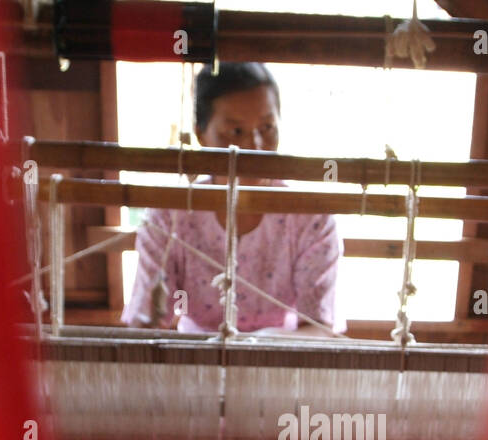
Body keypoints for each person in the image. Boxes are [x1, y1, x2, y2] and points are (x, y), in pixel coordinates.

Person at [120, 62, 343, 335]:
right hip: (195, 356)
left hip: (282, 354)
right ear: (201, 135)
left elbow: (318, 329)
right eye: (236, 132)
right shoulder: (170, 216)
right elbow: (147, 323)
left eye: (267, 127)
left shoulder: (311, 219)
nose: (255, 146)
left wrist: (257, 346)